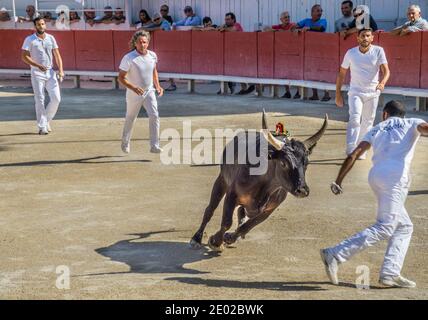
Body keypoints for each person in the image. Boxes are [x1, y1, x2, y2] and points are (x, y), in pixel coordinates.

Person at [321, 100, 428, 288]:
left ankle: (390, 273)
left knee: (404, 226)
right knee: (386, 226)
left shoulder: (376, 129)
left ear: (385, 114)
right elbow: (426, 128)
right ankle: (336, 254)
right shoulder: (412, 122)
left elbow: (354, 154)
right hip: (395, 178)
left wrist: (338, 180)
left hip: (376, 176)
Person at [336, 28, 390, 159]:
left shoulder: (378, 51)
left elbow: (386, 71)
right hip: (355, 92)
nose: (365, 38)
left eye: (368, 36)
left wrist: (382, 82)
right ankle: (350, 148)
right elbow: (342, 73)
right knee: (354, 117)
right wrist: (338, 94)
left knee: (368, 121)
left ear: (372, 38)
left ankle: (361, 149)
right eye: (362, 36)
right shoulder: (351, 53)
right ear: (357, 38)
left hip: (372, 92)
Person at [118, 31, 164, 155]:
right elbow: (121, 77)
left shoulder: (153, 55)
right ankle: (125, 143)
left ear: (148, 43)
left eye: (144, 42)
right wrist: (133, 88)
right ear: (135, 43)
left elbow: (154, 71)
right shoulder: (129, 58)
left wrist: (158, 86)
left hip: (149, 91)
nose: (142, 44)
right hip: (134, 94)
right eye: (139, 42)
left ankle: (154, 145)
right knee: (131, 117)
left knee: (154, 115)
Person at [21, 17, 64, 135]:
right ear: (35, 26)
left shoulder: (51, 38)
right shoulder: (29, 39)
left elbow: (57, 55)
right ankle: (42, 127)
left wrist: (61, 70)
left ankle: (46, 120)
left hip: (50, 72)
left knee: (56, 98)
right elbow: (24, 56)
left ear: (45, 25)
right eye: (38, 25)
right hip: (36, 72)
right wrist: (37, 65)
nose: (41, 26)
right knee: (40, 99)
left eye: (43, 24)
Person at [293, 4, 330, 101]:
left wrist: (308, 28)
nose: (320, 13)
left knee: (322, 71)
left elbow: (321, 28)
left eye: (321, 11)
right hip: (309, 50)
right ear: (312, 12)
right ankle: (315, 94)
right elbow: (294, 27)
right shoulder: (306, 21)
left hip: (321, 50)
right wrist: (297, 29)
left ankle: (327, 94)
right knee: (313, 72)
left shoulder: (323, 21)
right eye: (318, 11)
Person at [264, 11, 297, 99]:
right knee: (285, 72)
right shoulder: (279, 26)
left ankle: (298, 92)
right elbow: (265, 28)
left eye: (288, 17)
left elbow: (291, 31)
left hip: (294, 52)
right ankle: (288, 92)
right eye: (285, 17)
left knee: (295, 72)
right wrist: (278, 30)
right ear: (281, 19)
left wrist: (281, 31)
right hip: (283, 52)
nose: (287, 19)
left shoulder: (292, 24)